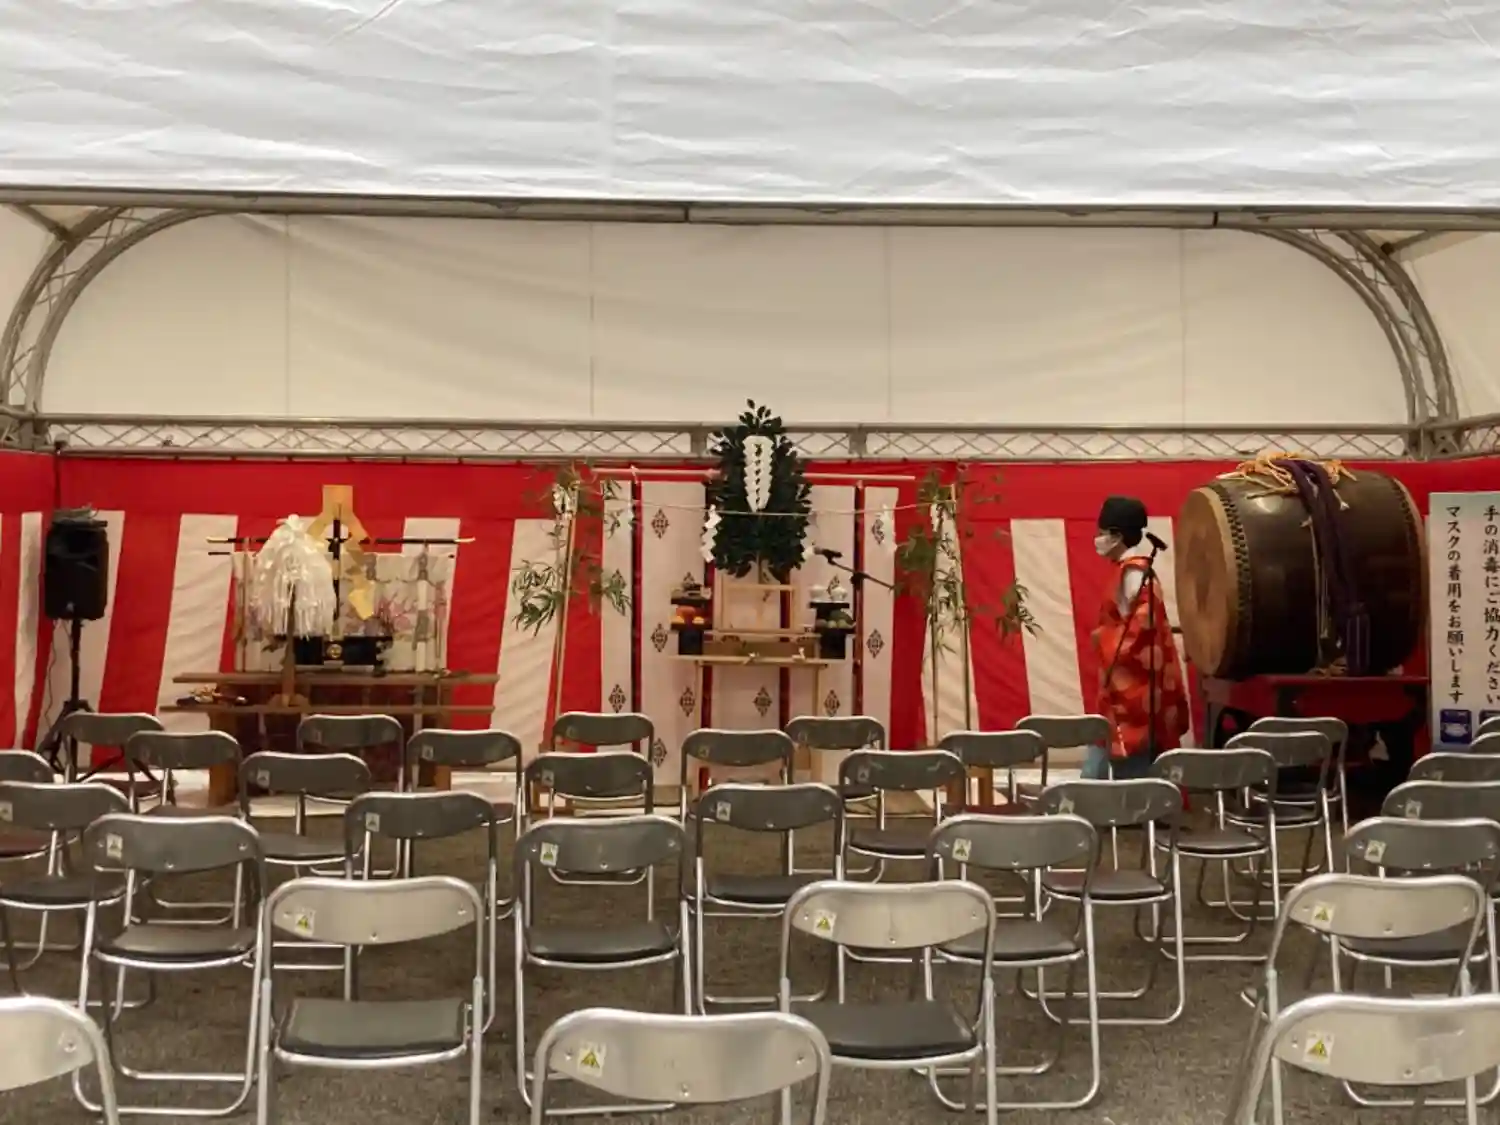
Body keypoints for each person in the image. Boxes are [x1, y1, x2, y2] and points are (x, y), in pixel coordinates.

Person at [1085, 496, 1190, 780]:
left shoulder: (1134, 573)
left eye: (1101, 532)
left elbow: (1144, 627)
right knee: (1105, 750)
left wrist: (1103, 638)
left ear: (1117, 536)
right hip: (1126, 681)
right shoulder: (1130, 571)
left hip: (1134, 685)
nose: (1098, 538)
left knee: (1127, 754)